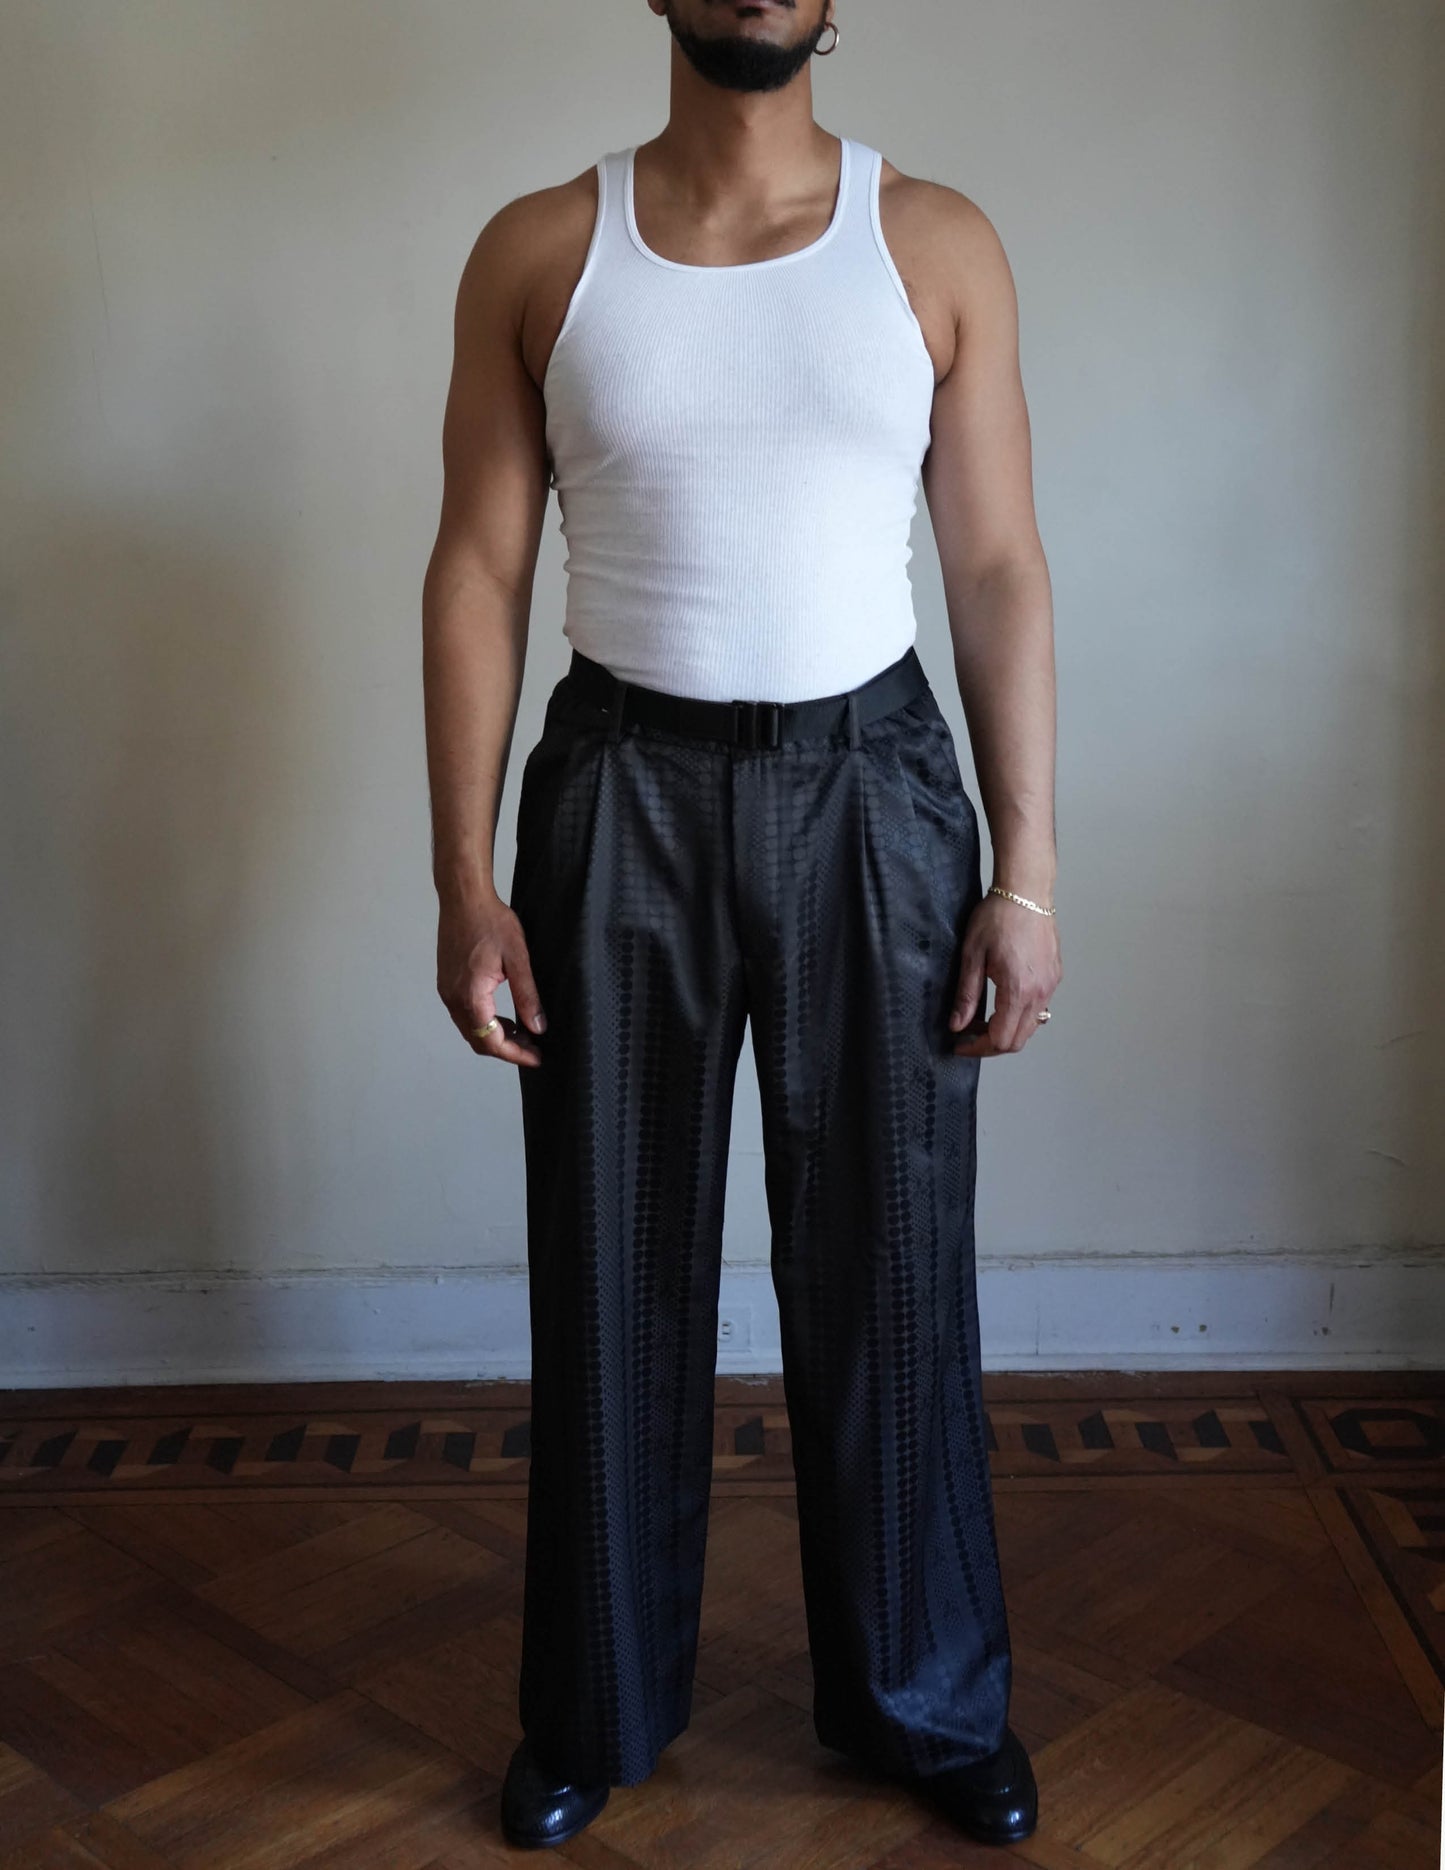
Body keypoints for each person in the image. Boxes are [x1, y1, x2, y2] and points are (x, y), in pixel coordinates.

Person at [421, 0, 1060, 1850]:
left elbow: (995, 561)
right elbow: (479, 562)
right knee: (610, 1261)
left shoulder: (931, 241)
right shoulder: (543, 250)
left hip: (875, 782)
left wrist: (1024, 873)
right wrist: (464, 878)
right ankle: (594, 1705)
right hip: (621, 785)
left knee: (892, 1263)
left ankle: (928, 1703)